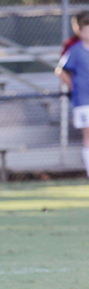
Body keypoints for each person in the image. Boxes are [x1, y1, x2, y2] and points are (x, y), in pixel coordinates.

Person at [56, 11, 89, 177]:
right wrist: (73, 86)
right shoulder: (74, 49)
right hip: (83, 99)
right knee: (88, 134)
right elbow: (60, 70)